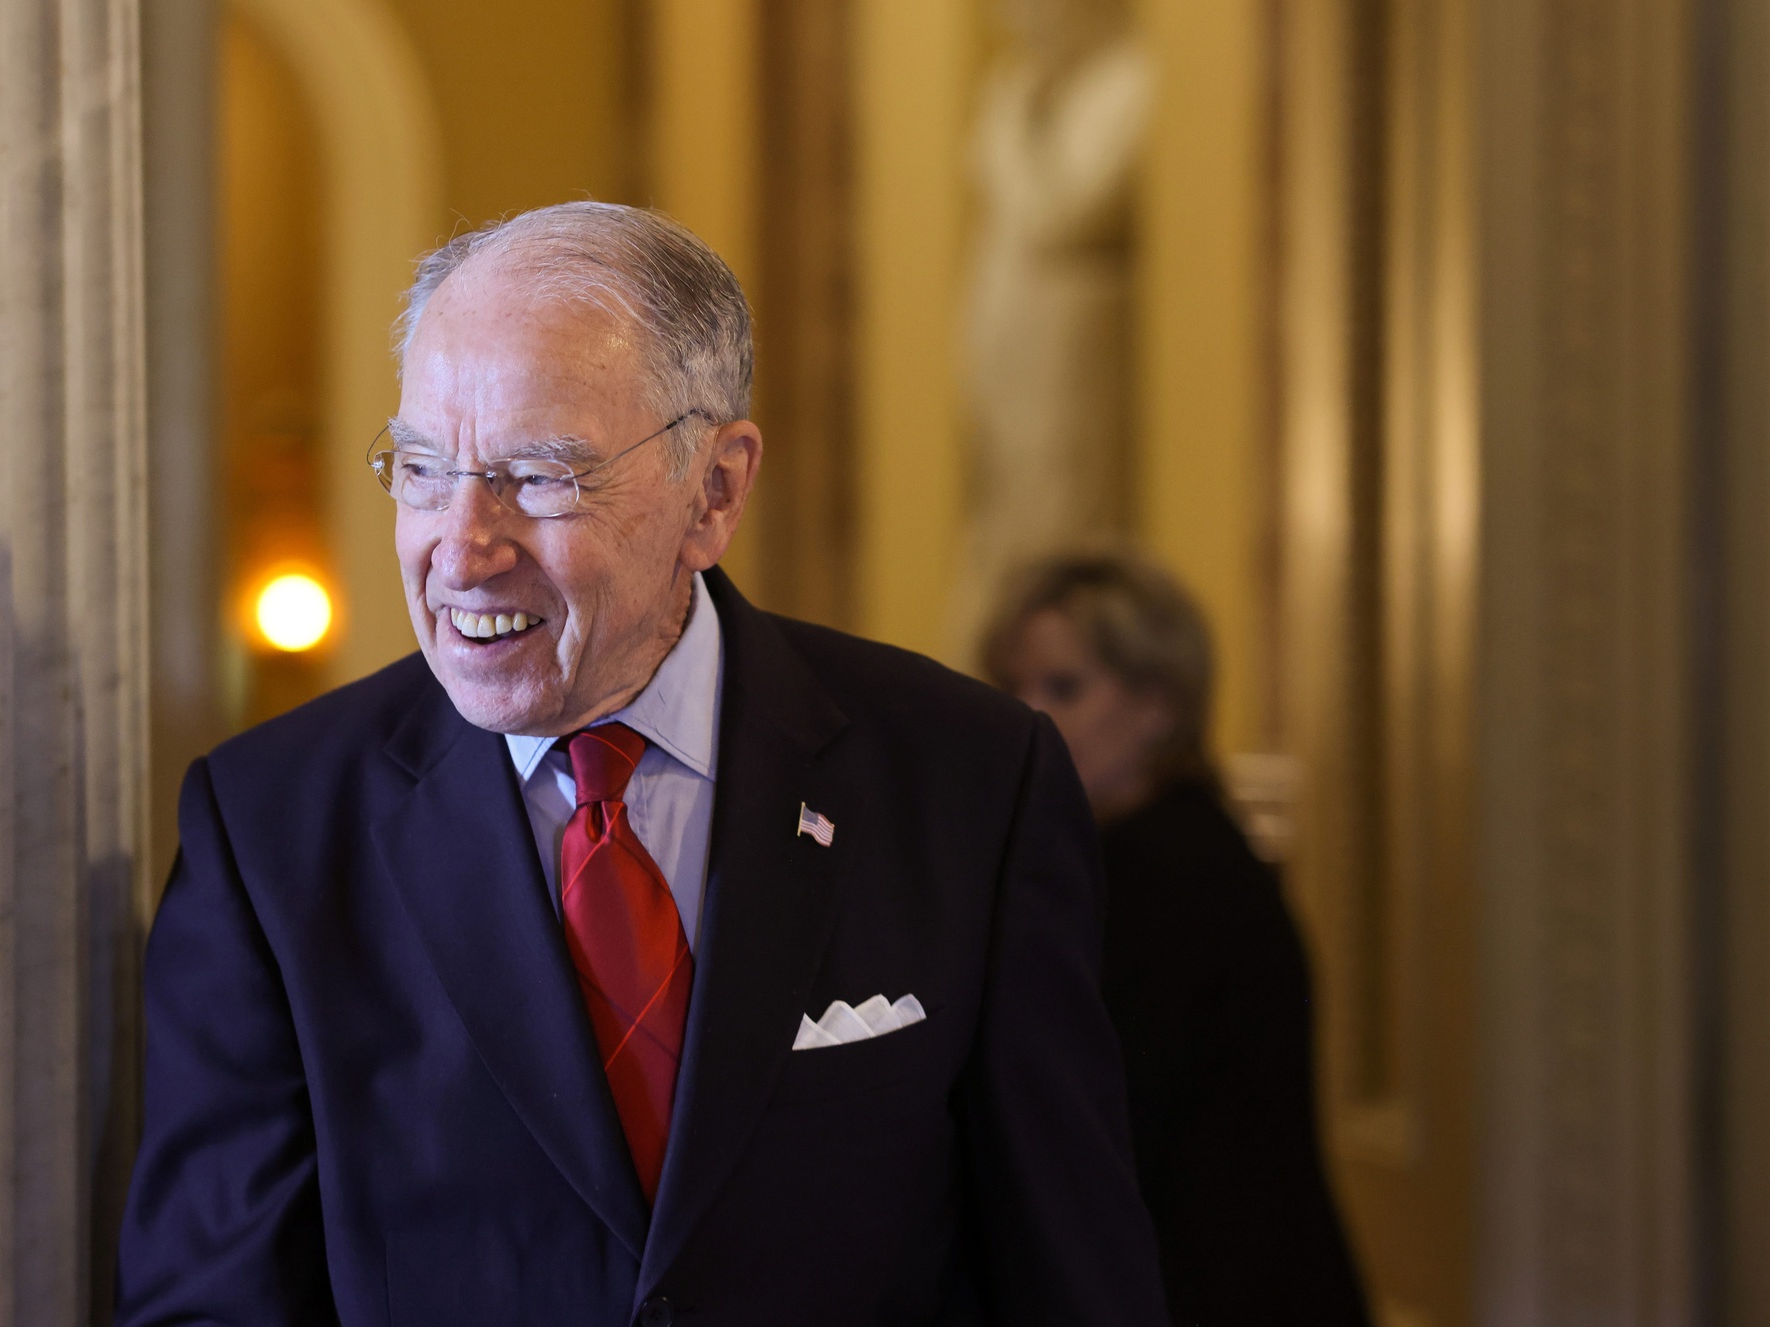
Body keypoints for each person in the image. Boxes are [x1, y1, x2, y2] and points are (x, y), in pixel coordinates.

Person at [116, 203, 1169, 1326]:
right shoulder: (268, 831)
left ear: (713, 490)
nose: (461, 548)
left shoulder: (971, 781)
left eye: (537, 476)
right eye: (422, 469)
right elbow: (211, 1303)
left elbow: (1075, 1277)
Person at [985, 552, 1372, 1327]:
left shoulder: (1169, 873)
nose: (1029, 714)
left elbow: (1099, 1120)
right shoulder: (1152, 849)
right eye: (1013, 686)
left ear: (1157, 704)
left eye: (1064, 687)